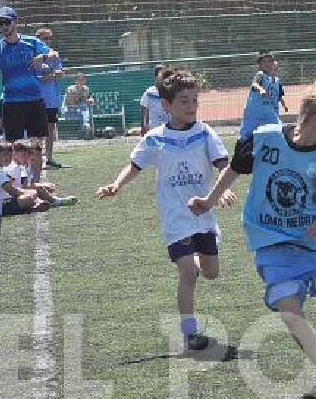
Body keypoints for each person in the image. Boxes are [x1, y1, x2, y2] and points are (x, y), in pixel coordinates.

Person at [187, 75, 316, 398]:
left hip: (313, 245)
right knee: (288, 309)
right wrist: (208, 200)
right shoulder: (264, 139)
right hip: (271, 242)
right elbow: (235, 168)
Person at [96, 67, 237, 352]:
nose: (192, 106)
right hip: (175, 218)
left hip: (204, 214)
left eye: (195, 100)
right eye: (184, 101)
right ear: (166, 105)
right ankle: (190, 333)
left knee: (210, 272)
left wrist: (224, 191)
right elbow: (134, 166)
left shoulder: (205, 132)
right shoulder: (155, 138)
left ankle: (197, 265)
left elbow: (224, 164)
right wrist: (116, 184)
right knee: (186, 274)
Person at [0, 6, 60, 185]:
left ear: (15, 22)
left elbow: (54, 55)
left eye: (6, 22)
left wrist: (43, 58)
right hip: (12, 103)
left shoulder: (31, 42)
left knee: (36, 144)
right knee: (12, 147)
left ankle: (36, 184)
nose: (3, 26)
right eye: (0, 23)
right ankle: (18, 185)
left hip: (34, 100)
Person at [0, 140, 48, 217]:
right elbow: (11, 190)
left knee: (31, 194)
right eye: (4, 155)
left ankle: (33, 206)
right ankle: (33, 207)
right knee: (29, 197)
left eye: (10, 155)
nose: (8, 158)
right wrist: (29, 193)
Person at [7, 139, 77, 207]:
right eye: (23, 155)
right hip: (11, 197)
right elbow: (24, 186)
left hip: (18, 193)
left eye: (28, 155)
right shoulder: (15, 167)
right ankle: (55, 201)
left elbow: (29, 183)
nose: (27, 157)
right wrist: (41, 186)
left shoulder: (23, 166)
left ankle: (46, 200)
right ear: (14, 155)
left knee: (43, 189)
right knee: (37, 191)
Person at [35, 27, 65, 168]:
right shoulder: (34, 55)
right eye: (44, 38)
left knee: (50, 129)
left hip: (52, 99)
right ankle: (36, 158)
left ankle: (49, 157)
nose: (46, 41)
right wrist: (48, 75)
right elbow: (36, 76)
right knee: (37, 131)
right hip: (37, 98)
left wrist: (49, 74)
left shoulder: (54, 54)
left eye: (48, 38)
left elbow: (60, 73)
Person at [239, 51, 282, 140]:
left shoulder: (274, 80)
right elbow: (254, 84)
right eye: (264, 61)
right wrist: (261, 89)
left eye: (270, 61)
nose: (268, 64)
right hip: (254, 111)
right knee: (247, 133)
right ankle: (242, 148)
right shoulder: (260, 75)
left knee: (278, 128)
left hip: (267, 110)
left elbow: (278, 93)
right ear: (260, 64)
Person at [140, 63, 171, 136]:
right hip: (154, 128)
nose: (163, 77)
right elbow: (143, 107)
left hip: (168, 128)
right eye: (161, 75)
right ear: (156, 76)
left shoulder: (170, 91)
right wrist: (143, 125)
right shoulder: (149, 92)